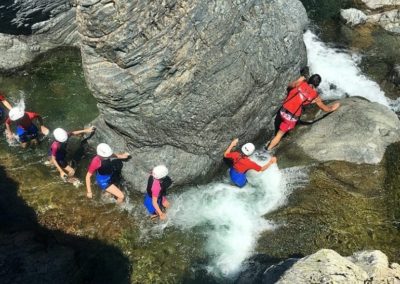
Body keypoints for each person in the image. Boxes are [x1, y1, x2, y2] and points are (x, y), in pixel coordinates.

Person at [266, 74, 340, 151]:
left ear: (309, 79)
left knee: (278, 128)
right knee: (279, 135)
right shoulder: (315, 96)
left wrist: (299, 79)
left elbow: (290, 85)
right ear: (317, 84)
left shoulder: (300, 83)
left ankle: (269, 143)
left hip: (282, 111)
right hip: (290, 118)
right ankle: (268, 149)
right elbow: (324, 108)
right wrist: (333, 108)